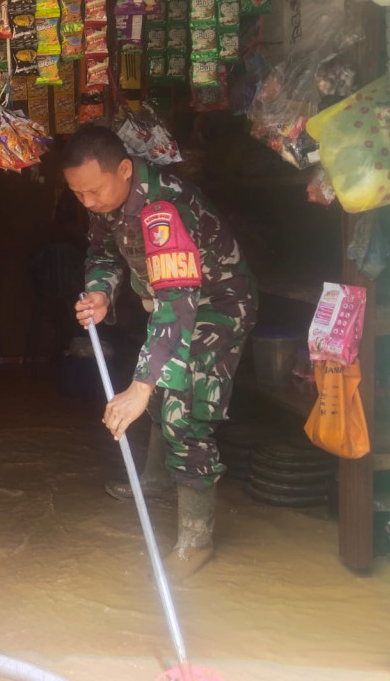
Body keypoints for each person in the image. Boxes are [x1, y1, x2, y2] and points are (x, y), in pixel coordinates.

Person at [63, 125, 257, 579]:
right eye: (78, 194)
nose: (88, 202)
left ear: (125, 170)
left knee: (179, 408)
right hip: (173, 305)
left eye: (93, 191)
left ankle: (195, 540)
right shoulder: (108, 201)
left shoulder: (163, 208)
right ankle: (156, 481)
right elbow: (103, 252)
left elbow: (177, 303)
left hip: (216, 306)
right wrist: (100, 292)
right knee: (155, 390)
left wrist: (142, 386)